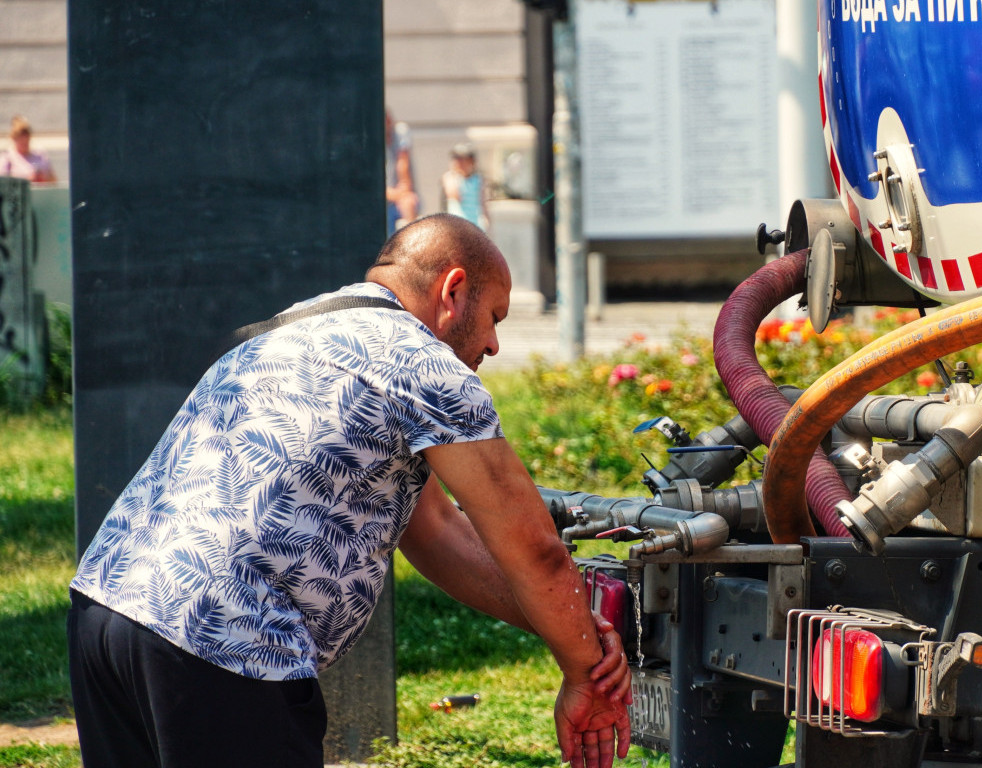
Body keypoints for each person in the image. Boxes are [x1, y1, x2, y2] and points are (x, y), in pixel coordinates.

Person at [67, 214, 631, 768]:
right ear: (453, 290)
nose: (493, 343)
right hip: (224, 637)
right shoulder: (425, 367)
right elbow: (535, 550)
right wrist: (587, 669)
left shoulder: (288, 331)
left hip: (106, 611)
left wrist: (569, 627)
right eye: (494, 317)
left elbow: (434, 532)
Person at [386, 110, 419, 235]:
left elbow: (403, 165)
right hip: (386, 199)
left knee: (409, 203)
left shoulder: (400, 132)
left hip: (399, 195)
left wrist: (403, 192)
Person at [441, 143, 487, 231]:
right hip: (457, 225)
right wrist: (454, 173)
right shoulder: (450, 177)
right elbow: (454, 195)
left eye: (462, 159)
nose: (458, 162)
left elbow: (482, 202)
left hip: (476, 225)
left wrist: (486, 220)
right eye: (456, 159)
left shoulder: (478, 179)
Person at [0, 115, 56, 182]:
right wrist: (27, 180)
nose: (24, 141)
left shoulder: (40, 156)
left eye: (27, 138)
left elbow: (54, 181)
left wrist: (44, 177)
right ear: (14, 139)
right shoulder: (8, 159)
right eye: (21, 139)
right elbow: (3, 184)